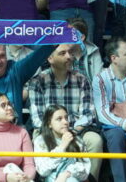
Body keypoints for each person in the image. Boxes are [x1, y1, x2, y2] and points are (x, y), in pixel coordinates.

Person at [27, 43, 103, 181]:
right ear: (50, 58)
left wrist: (69, 132)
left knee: (95, 140)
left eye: (70, 52)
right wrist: (58, 133)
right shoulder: (38, 81)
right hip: (48, 130)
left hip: (77, 130)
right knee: (38, 137)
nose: (69, 57)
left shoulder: (81, 79)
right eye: (62, 53)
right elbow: (38, 119)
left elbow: (87, 114)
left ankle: (88, 179)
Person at [92, 36, 126, 182]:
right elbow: (102, 112)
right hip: (115, 126)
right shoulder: (101, 79)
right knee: (116, 135)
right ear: (114, 58)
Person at [33, 104, 91, 182]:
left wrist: (67, 174)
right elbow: (43, 171)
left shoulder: (77, 140)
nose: (65, 122)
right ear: (49, 123)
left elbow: (85, 171)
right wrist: (62, 147)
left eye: (66, 118)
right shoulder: (40, 141)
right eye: (59, 119)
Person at [68, 18, 102, 84]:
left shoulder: (93, 51)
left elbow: (99, 81)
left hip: (90, 89)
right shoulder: (62, 53)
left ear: (81, 37)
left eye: (70, 35)